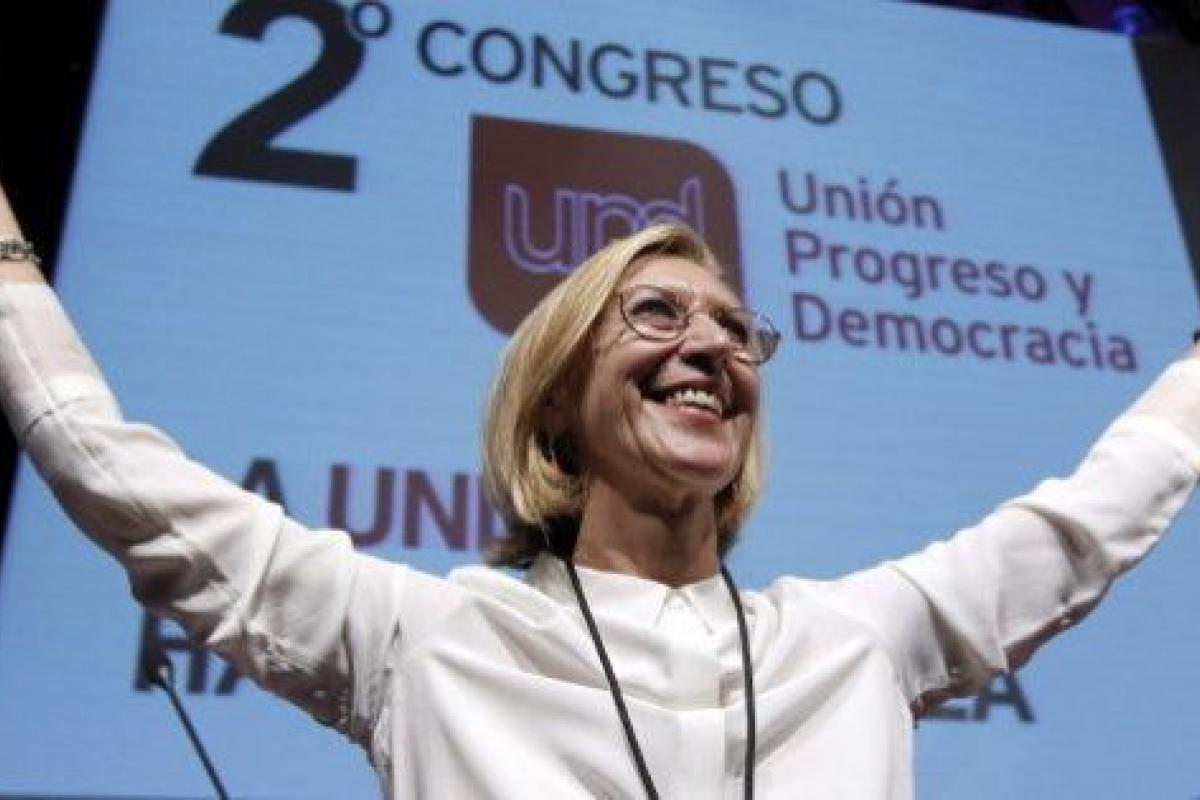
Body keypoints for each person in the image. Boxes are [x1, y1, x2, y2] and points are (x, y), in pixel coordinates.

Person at [1, 179, 1198, 800]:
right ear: (557, 399)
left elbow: (1089, 518)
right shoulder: (425, 639)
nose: (712, 344)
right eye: (657, 313)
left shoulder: (854, 639)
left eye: (735, 328)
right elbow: (115, 469)